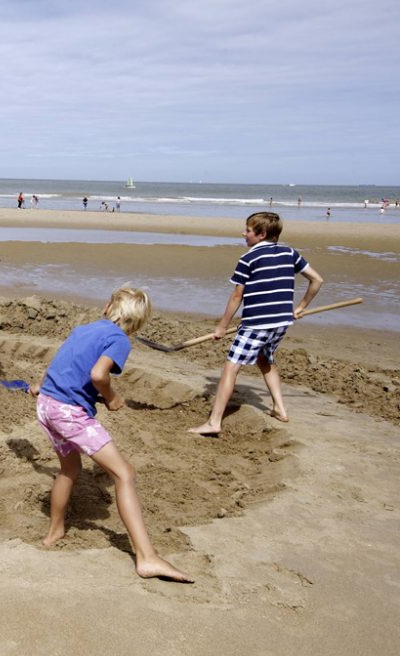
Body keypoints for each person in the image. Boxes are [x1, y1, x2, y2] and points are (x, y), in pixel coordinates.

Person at [30, 286, 193, 582]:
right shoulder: (119, 339)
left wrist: (41, 385)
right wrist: (112, 397)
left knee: (70, 469)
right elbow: (97, 375)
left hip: (47, 405)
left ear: (108, 307)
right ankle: (147, 557)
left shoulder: (84, 329)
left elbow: (59, 361)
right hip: (68, 413)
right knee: (124, 474)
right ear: (138, 322)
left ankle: (54, 533)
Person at [189, 212, 323, 435]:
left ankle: (214, 422)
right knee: (264, 359)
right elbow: (317, 280)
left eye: (248, 230)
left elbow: (236, 297)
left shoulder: (248, 258)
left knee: (231, 367)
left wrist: (222, 327)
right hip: (281, 322)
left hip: (256, 323)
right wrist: (301, 307)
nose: (244, 234)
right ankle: (280, 409)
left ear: (261, 234)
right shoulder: (290, 253)